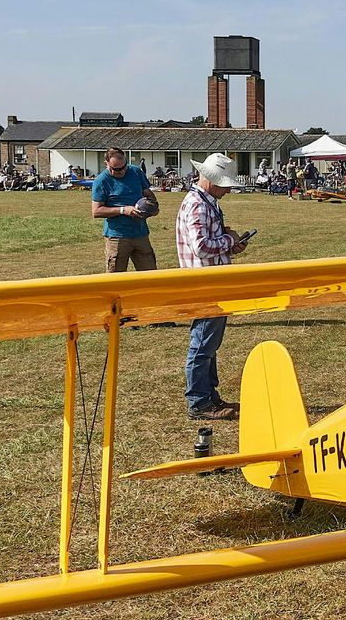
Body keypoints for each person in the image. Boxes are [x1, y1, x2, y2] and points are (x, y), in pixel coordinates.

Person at [176, 153, 251, 420]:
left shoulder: (204, 202)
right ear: (211, 180)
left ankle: (209, 396)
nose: (228, 189)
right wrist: (229, 240)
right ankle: (199, 401)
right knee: (203, 343)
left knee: (208, 341)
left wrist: (230, 242)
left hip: (210, 280)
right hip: (206, 282)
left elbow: (208, 244)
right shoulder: (198, 205)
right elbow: (202, 247)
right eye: (225, 184)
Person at [91, 147, 158, 273]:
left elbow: (148, 194)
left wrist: (152, 207)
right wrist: (123, 210)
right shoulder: (101, 181)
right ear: (106, 163)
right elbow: (96, 211)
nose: (121, 172)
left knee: (150, 274)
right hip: (117, 237)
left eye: (123, 167)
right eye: (116, 169)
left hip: (140, 234)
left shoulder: (136, 172)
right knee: (116, 278)